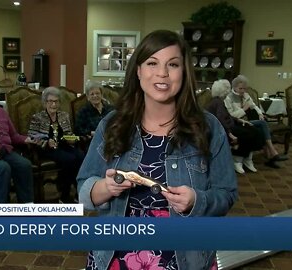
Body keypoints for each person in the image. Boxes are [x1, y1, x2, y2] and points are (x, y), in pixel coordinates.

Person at [77, 30, 237, 270]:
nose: (162, 73)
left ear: (183, 73)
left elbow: (226, 194)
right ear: (138, 70)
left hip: (185, 258)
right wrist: (105, 187)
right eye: (152, 63)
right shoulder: (112, 124)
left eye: (172, 64)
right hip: (113, 257)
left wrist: (197, 200)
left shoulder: (209, 128)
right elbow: (83, 192)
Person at [28, 86, 84, 203]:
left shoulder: (64, 115)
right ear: (45, 102)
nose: (53, 104)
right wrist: (46, 141)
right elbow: (32, 135)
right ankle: (64, 194)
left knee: (80, 156)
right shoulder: (37, 117)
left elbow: (68, 132)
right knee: (70, 159)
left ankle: (77, 192)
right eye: (50, 101)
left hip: (64, 144)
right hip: (47, 148)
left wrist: (72, 139)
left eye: (56, 101)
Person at [224, 75, 288, 168]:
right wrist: (244, 109)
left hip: (247, 121)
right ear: (234, 88)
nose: (242, 91)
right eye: (240, 88)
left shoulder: (246, 95)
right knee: (262, 124)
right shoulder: (228, 98)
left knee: (262, 126)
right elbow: (231, 116)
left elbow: (254, 106)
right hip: (238, 123)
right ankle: (272, 152)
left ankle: (270, 156)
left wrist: (260, 113)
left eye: (244, 89)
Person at [207, 79, 265, 174]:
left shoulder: (219, 101)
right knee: (248, 133)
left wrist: (240, 120)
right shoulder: (218, 102)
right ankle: (238, 159)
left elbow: (228, 116)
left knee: (254, 130)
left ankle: (246, 158)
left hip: (231, 124)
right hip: (224, 129)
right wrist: (230, 134)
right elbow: (220, 121)